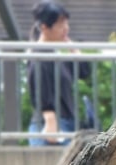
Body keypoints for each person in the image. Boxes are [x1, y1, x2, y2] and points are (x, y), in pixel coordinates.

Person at [27, 1, 90, 146]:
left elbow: (84, 70)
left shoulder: (56, 54)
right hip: (51, 124)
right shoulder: (38, 53)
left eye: (66, 24)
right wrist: (50, 120)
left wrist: (71, 46)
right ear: (44, 27)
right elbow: (39, 86)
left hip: (65, 123)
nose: (66, 29)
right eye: (60, 24)